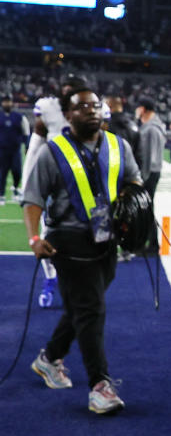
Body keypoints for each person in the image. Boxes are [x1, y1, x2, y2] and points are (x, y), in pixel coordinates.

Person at [21, 83, 142, 414]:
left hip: (107, 238)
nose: (90, 110)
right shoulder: (53, 151)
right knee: (91, 309)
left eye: (95, 105)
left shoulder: (119, 146)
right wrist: (34, 238)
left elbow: (135, 182)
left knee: (82, 307)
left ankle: (49, 358)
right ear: (68, 114)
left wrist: (133, 209)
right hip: (68, 240)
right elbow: (31, 198)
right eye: (82, 106)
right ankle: (99, 386)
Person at [22, 75, 89, 308]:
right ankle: (51, 280)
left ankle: (79, 284)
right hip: (54, 182)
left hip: (84, 184)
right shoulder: (49, 109)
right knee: (49, 234)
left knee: (85, 237)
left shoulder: (92, 109)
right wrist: (27, 179)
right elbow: (36, 144)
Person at [134, 98, 166, 251]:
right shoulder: (153, 126)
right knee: (145, 208)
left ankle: (151, 244)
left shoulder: (151, 129)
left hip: (149, 173)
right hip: (152, 171)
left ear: (144, 109)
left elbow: (149, 156)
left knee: (145, 208)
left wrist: (142, 178)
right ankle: (150, 242)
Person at [0, 93, 29, 205]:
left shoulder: (19, 117)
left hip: (15, 149)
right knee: (2, 172)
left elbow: (26, 132)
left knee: (17, 171)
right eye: (5, 101)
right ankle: (1, 195)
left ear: (12, 103)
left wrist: (27, 145)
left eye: (9, 101)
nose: (7, 103)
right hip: (2, 150)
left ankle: (16, 189)